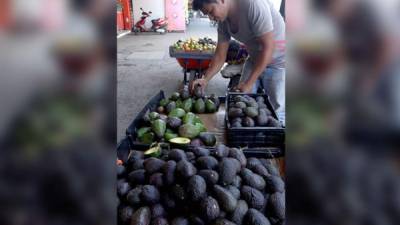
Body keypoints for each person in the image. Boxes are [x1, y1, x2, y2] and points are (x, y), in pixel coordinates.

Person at [191, 0, 286, 124]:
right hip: (254, 59)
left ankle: (277, 139)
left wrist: (249, 83)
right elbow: (220, 56)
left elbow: (269, 47)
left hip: (279, 61)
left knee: (276, 111)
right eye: (207, 15)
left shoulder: (253, 5)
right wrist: (205, 79)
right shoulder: (223, 22)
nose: (210, 18)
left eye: (210, 12)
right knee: (241, 104)